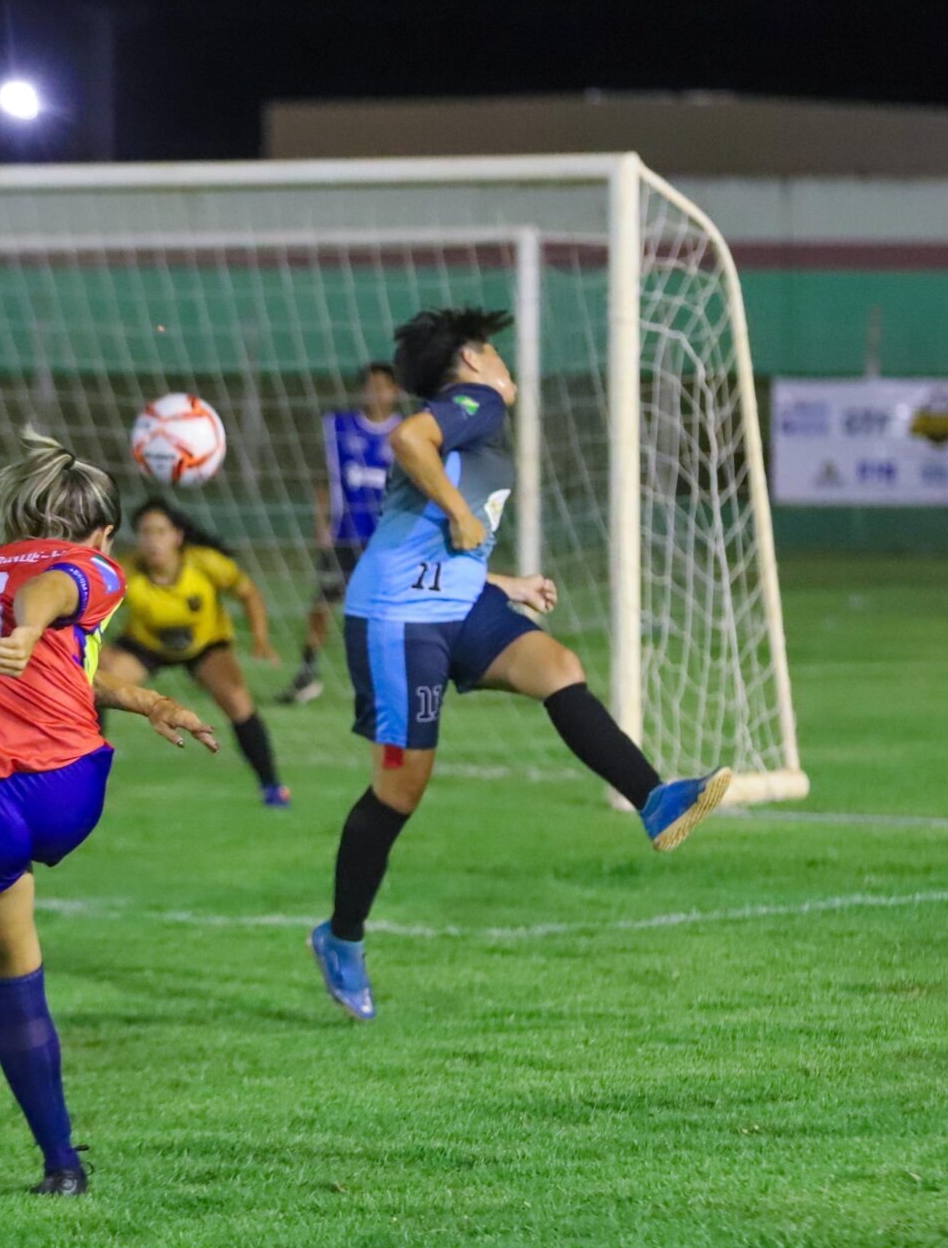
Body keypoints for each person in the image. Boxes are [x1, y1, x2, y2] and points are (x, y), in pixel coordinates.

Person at [309, 308, 733, 1021]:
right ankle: (341, 936)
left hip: (457, 599)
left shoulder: (474, 422)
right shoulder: (474, 402)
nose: (507, 367)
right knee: (401, 788)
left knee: (556, 665)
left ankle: (655, 799)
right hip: (399, 618)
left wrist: (505, 582)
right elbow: (408, 441)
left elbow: (430, 537)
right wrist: (460, 511)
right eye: (497, 353)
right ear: (474, 359)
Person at [0, 430, 218, 1196]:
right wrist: (145, 697)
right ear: (104, 531)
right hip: (67, 788)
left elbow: (44, 594)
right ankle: (60, 1165)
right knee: (14, 944)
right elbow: (56, 615)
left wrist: (21, 631)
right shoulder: (98, 565)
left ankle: (62, 1164)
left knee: (12, 974)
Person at [99, 499, 290, 807]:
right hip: (145, 645)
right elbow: (92, 605)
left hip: (205, 645)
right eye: (145, 533)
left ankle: (272, 787)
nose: (152, 541)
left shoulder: (205, 563)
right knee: (95, 685)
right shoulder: (125, 572)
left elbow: (248, 593)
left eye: (160, 532)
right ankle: (88, 774)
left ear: (177, 536)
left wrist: (260, 637)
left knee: (237, 700)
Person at [279, 361, 402, 705]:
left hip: (386, 538)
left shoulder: (405, 432)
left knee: (385, 611)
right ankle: (307, 674)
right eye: (371, 386)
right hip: (345, 535)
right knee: (322, 603)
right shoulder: (339, 427)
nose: (377, 393)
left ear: (396, 392)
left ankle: (388, 681)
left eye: (384, 386)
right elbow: (326, 477)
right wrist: (322, 522)